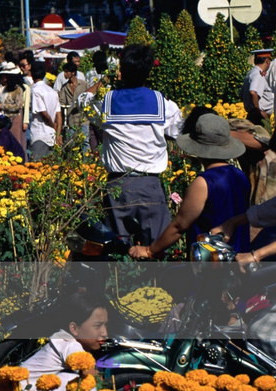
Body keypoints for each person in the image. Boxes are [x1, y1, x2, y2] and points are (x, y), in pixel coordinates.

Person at [130, 111, 250, 259]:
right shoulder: (240, 175)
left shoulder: (204, 182)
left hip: (210, 261)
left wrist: (150, 250)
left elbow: (180, 225)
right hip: (239, 255)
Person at [97, 44, 183, 243]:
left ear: (122, 70)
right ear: (149, 70)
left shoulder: (107, 102)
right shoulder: (163, 103)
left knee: (117, 247)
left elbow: (83, 102)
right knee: (157, 245)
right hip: (149, 184)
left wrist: (103, 81)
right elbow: (177, 131)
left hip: (118, 185)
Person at [18, 298, 109, 391]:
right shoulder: (70, 344)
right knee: (77, 380)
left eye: (106, 325)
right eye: (97, 326)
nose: (104, 333)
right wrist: (108, 387)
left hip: (23, 389)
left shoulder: (62, 340)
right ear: (74, 329)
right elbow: (90, 374)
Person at [27, 62, 59, 160]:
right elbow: (59, 114)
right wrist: (57, 132)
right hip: (51, 136)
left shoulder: (35, 90)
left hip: (39, 134)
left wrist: (53, 125)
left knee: (37, 167)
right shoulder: (52, 91)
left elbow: (43, 113)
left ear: (32, 74)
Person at [244, 48, 274, 125]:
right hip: (260, 118)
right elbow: (253, 92)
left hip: (254, 115)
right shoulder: (257, 74)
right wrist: (258, 112)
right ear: (267, 61)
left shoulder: (251, 72)